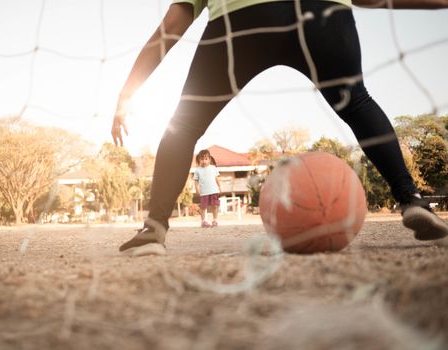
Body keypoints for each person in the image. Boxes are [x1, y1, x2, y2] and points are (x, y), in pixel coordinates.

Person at [112, 0, 448, 254]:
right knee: (357, 103)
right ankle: (412, 199)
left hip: (241, 17)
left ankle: (154, 229)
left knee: (183, 126)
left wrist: (127, 94)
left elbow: (174, 22)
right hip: (322, 12)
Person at [194, 149, 221, 227]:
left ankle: (215, 220)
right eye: (202, 159)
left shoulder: (213, 168)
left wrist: (220, 187)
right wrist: (197, 189)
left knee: (215, 206)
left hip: (214, 190)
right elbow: (196, 181)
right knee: (203, 207)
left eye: (206, 159)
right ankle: (203, 221)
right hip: (204, 192)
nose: (204, 161)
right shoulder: (197, 170)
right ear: (199, 159)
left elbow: (217, 178)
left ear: (209, 159)